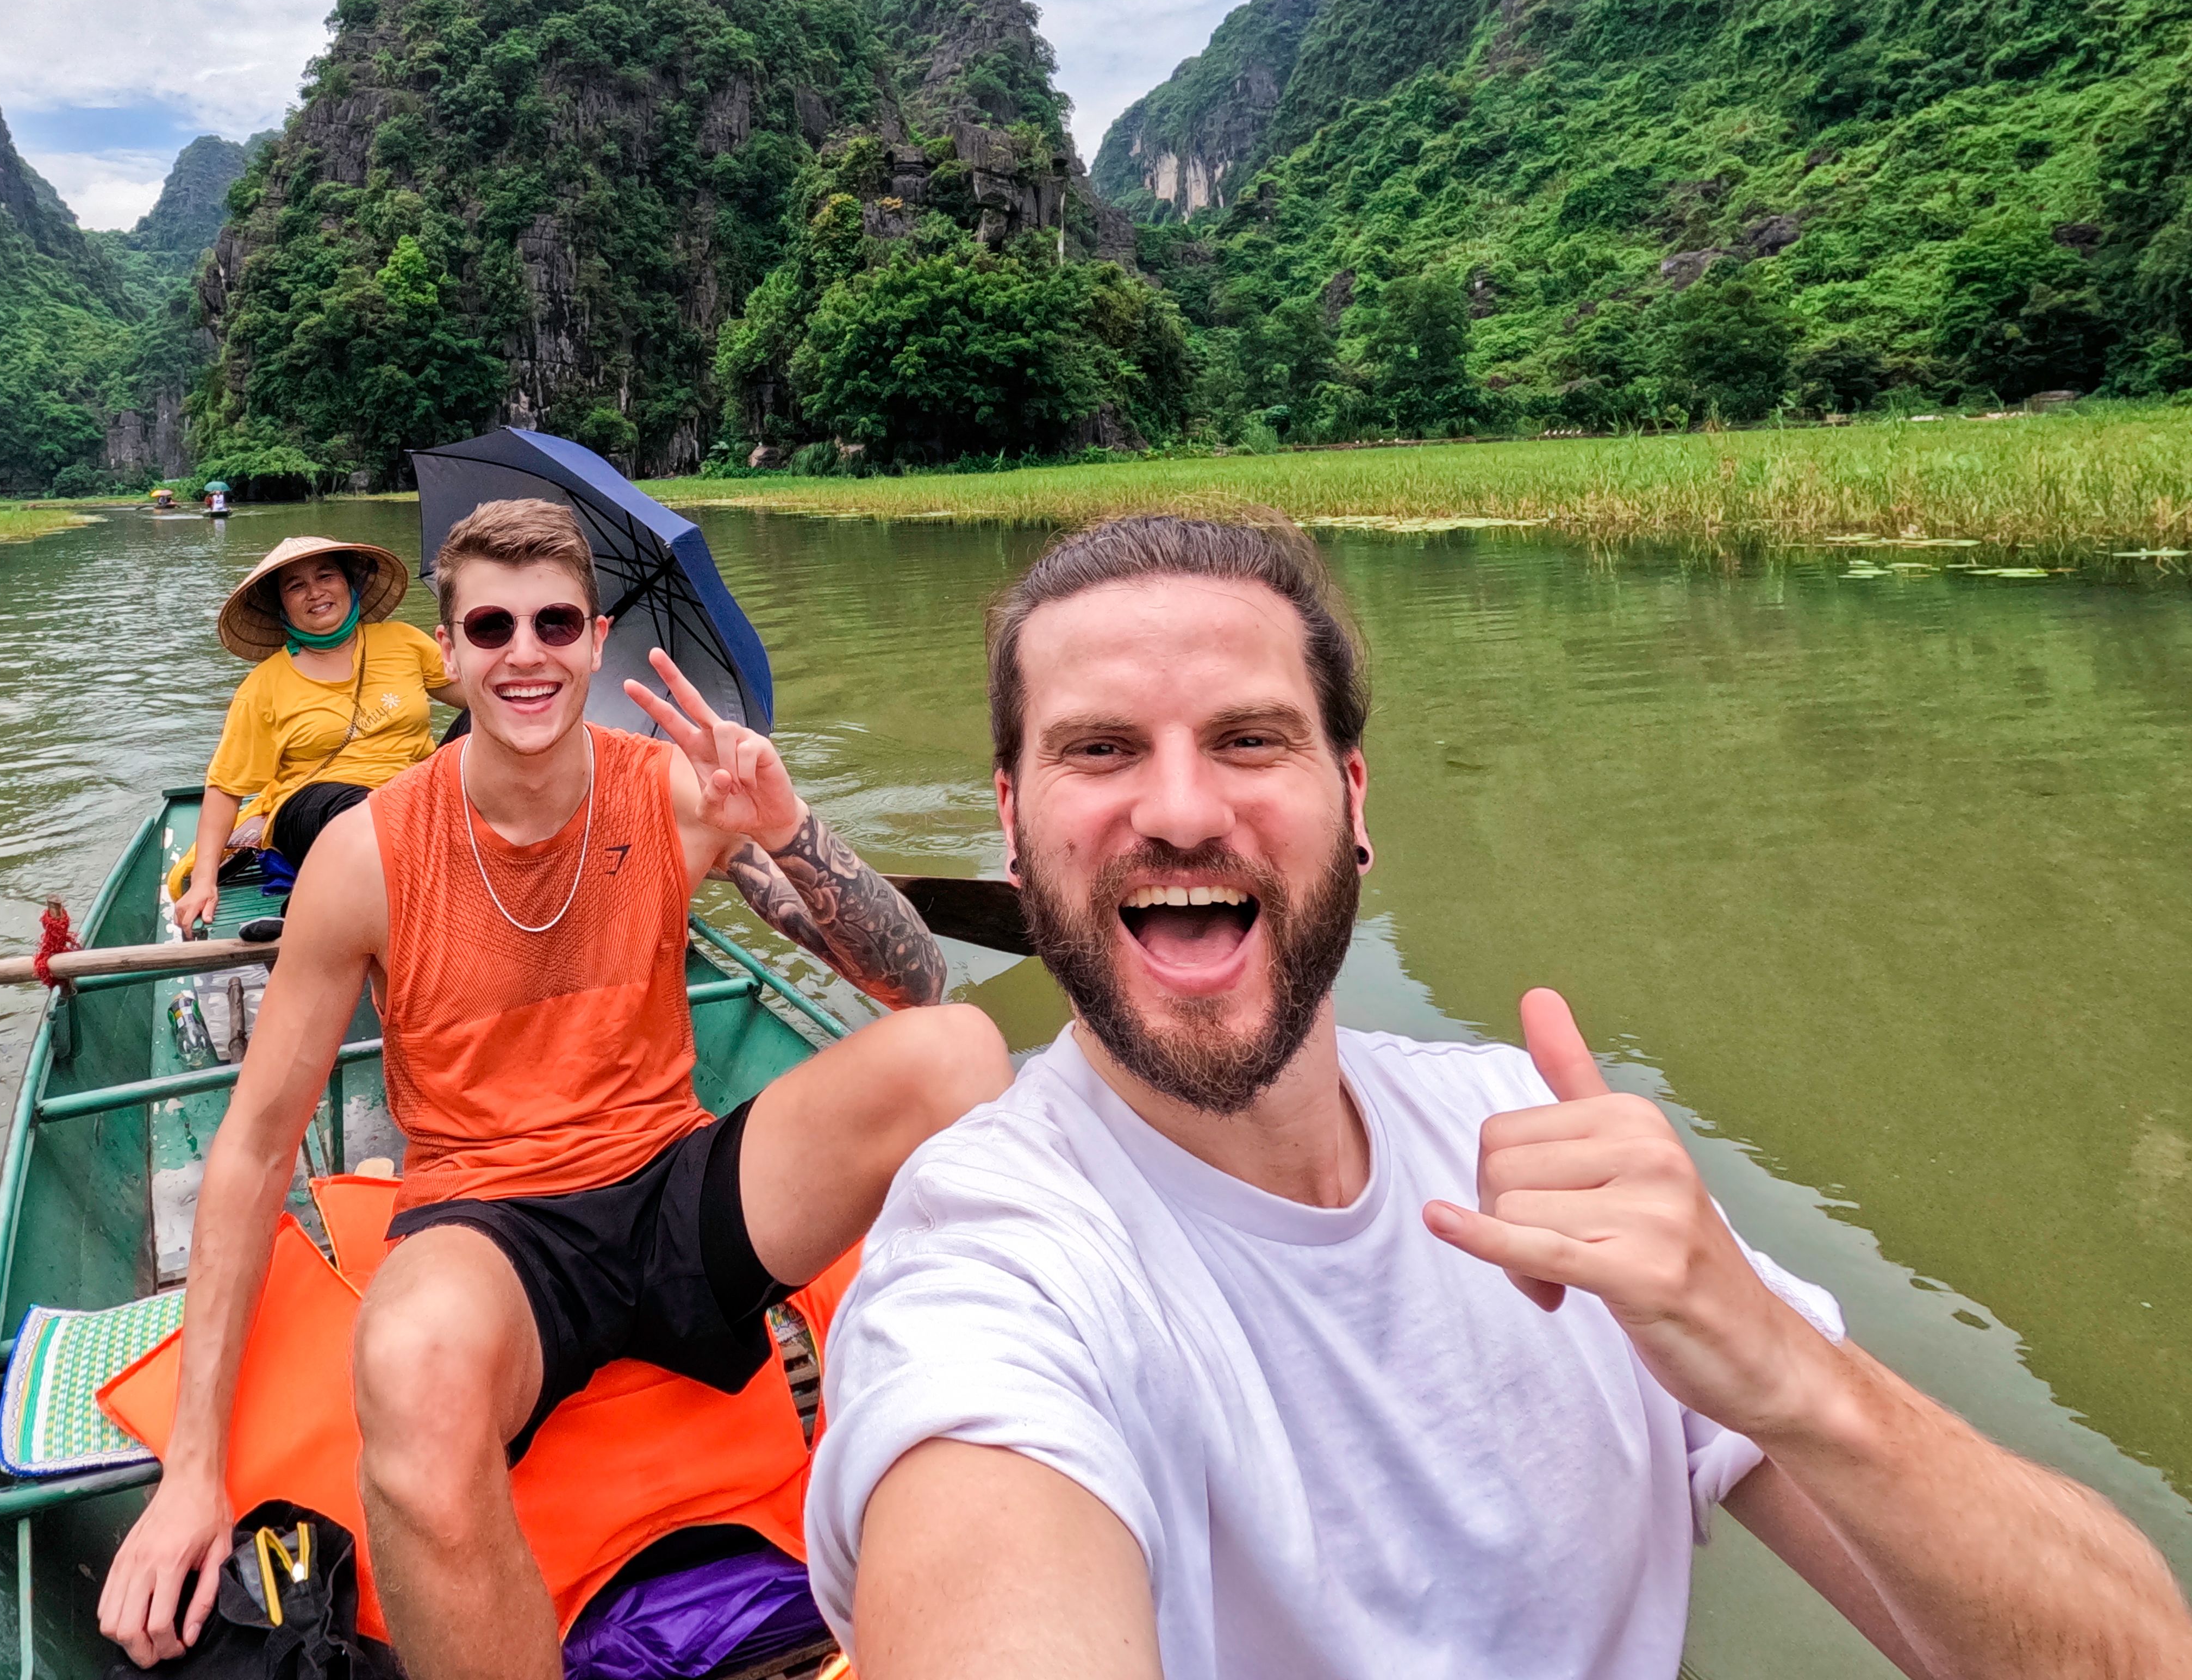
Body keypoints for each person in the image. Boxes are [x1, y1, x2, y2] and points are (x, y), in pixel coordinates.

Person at [807, 514, 2192, 1680]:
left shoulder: (1547, 1145)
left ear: (1352, 799)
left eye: (1247, 738)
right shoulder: (988, 1258)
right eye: (1100, 749)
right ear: (1009, 820)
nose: (1176, 809)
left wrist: (1782, 1373)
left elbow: (2135, 1651)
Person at [99, 497, 1011, 1675]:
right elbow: (256, 1146)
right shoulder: (365, 855)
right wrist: (193, 1470)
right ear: (451, 654)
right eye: (491, 627)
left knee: (963, 1060)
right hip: (495, 1230)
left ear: (593, 640)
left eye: (554, 624)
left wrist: (785, 829)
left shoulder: (680, 792)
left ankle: (991, 1463)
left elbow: (918, 981)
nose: (524, 654)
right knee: (409, 1356)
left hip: (678, 1193)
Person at [168, 535, 467, 932]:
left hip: (418, 790)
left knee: (496, 714)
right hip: (316, 805)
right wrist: (204, 882)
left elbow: (476, 698)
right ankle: (327, 913)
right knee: (360, 810)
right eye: (296, 586)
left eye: (326, 575)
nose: (315, 592)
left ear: (349, 584)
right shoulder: (264, 686)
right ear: (282, 606)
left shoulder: (402, 641)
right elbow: (226, 787)